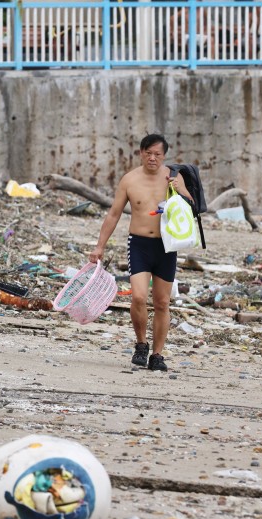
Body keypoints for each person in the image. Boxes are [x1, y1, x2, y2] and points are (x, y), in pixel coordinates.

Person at [89, 133, 192, 372]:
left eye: (158, 154)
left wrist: (182, 191)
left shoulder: (174, 178)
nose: (153, 158)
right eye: (148, 153)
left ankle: (157, 355)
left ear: (165, 156)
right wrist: (99, 246)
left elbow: (192, 209)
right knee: (137, 296)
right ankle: (141, 344)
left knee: (162, 302)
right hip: (139, 245)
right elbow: (114, 214)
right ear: (141, 153)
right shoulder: (129, 180)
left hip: (166, 246)